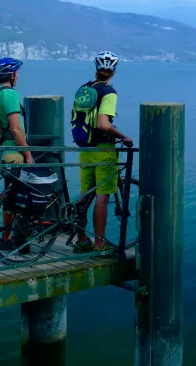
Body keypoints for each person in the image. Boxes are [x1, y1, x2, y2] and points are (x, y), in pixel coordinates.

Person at [73, 51, 133, 255]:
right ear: (114, 71)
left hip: (85, 148)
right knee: (102, 197)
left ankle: (81, 241)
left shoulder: (84, 88)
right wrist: (123, 136)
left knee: (84, 194)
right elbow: (103, 124)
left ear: (96, 68)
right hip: (103, 150)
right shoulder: (108, 92)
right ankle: (100, 244)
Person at [0, 57, 34, 252]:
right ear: (12, 74)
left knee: (11, 195)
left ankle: (6, 237)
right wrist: (29, 154)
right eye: (17, 73)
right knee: (22, 197)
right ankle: (18, 239)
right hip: (13, 153)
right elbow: (16, 129)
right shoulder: (10, 95)